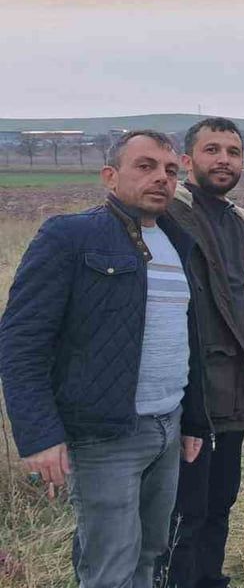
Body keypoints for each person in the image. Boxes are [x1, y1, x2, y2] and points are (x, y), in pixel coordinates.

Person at [0, 130, 207, 588]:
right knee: (109, 565)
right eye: (146, 166)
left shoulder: (178, 244)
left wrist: (194, 421)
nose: (161, 178)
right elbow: (21, 341)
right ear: (110, 176)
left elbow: (183, 340)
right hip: (105, 435)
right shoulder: (70, 236)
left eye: (171, 170)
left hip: (167, 429)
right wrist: (39, 435)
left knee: (150, 553)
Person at [158, 117, 244, 588]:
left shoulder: (238, 221)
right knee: (184, 509)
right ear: (188, 160)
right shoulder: (169, 216)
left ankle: (209, 578)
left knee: (220, 498)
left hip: (231, 389)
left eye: (233, 152)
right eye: (212, 150)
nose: (224, 160)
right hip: (188, 390)